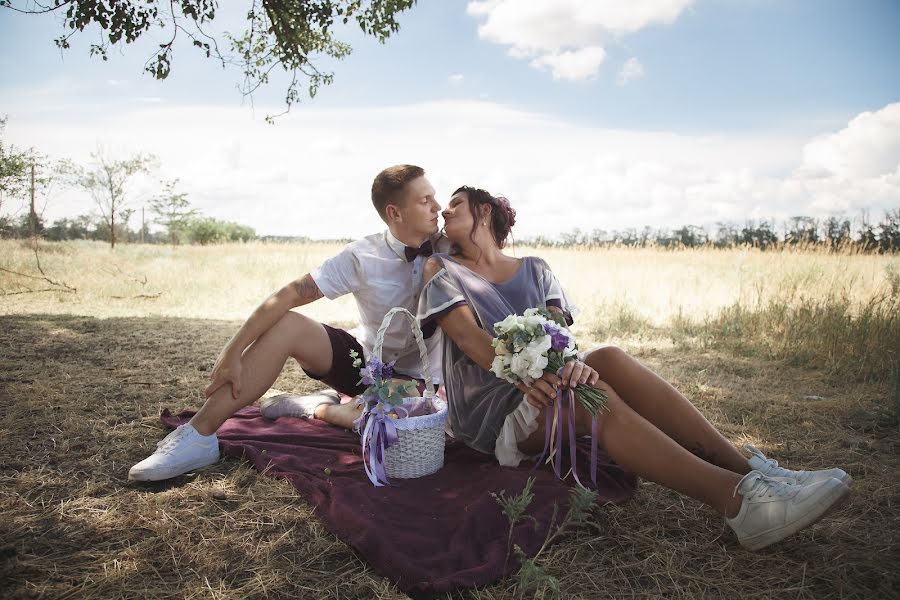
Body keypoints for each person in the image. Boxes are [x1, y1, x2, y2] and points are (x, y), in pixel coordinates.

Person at [417, 185, 851, 551]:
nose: (443, 212)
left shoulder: (535, 268)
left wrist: (572, 368)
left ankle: (753, 472)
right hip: (496, 409)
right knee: (595, 402)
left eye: (454, 204)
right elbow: (471, 341)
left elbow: (563, 340)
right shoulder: (443, 268)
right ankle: (739, 505)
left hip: (547, 384)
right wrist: (530, 376)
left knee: (608, 358)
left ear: (485, 210)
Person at [129, 165, 448, 482]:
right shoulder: (363, 255)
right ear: (395, 212)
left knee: (386, 414)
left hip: (421, 376)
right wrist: (233, 350)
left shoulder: (452, 246)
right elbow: (290, 294)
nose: (437, 207)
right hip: (367, 363)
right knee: (287, 325)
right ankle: (198, 436)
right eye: (425, 200)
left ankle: (320, 408)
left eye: (434, 197)